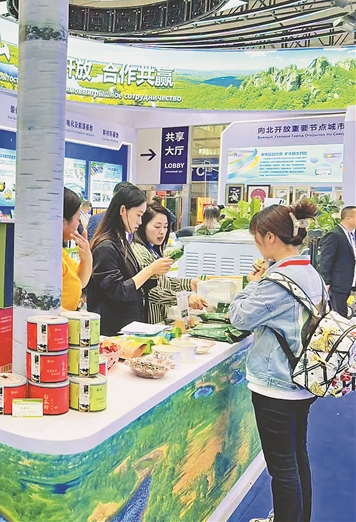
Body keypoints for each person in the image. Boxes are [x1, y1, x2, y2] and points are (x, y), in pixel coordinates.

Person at [229, 200, 321, 522]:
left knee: (281, 467)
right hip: (302, 378)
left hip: (276, 384)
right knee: (296, 458)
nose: (256, 243)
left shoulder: (277, 281)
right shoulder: (309, 272)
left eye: (256, 237)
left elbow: (240, 317)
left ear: (270, 237)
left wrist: (251, 285)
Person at [86, 184, 173, 335]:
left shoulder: (121, 241)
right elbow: (118, 291)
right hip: (112, 332)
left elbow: (133, 284)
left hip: (127, 328)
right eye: (138, 215)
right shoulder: (105, 247)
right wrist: (149, 270)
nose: (140, 221)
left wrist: (153, 276)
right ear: (122, 210)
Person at [130, 203, 209, 324]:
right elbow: (151, 291)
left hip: (158, 318)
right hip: (148, 321)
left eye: (166, 226)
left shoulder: (152, 249)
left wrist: (188, 283)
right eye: (157, 226)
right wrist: (185, 298)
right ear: (142, 226)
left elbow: (163, 281)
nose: (162, 231)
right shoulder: (140, 252)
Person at [317, 206, 356, 318]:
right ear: (348, 218)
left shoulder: (351, 235)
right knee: (339, 317)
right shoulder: (334, 235)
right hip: (337, 285)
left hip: (348, 283)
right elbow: (325, 260)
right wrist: (326, 283)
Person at [62, 188, 92, 311]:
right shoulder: (48, 257)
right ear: (63, 222)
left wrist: (87, 258)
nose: (79, 225)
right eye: (78, 220)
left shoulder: (61, 253)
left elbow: (81, 281)